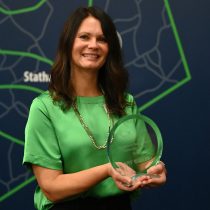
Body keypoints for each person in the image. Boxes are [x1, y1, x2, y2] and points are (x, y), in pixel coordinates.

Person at [23, 6, 167, 210]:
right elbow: (51, 187)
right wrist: (107, 170)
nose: (93, 45)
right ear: (68, 43)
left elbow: (146, 163)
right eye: (84, 37)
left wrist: (156, 171)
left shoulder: (126, 103)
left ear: (110, 48)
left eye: (102, 39)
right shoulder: (44, 107)